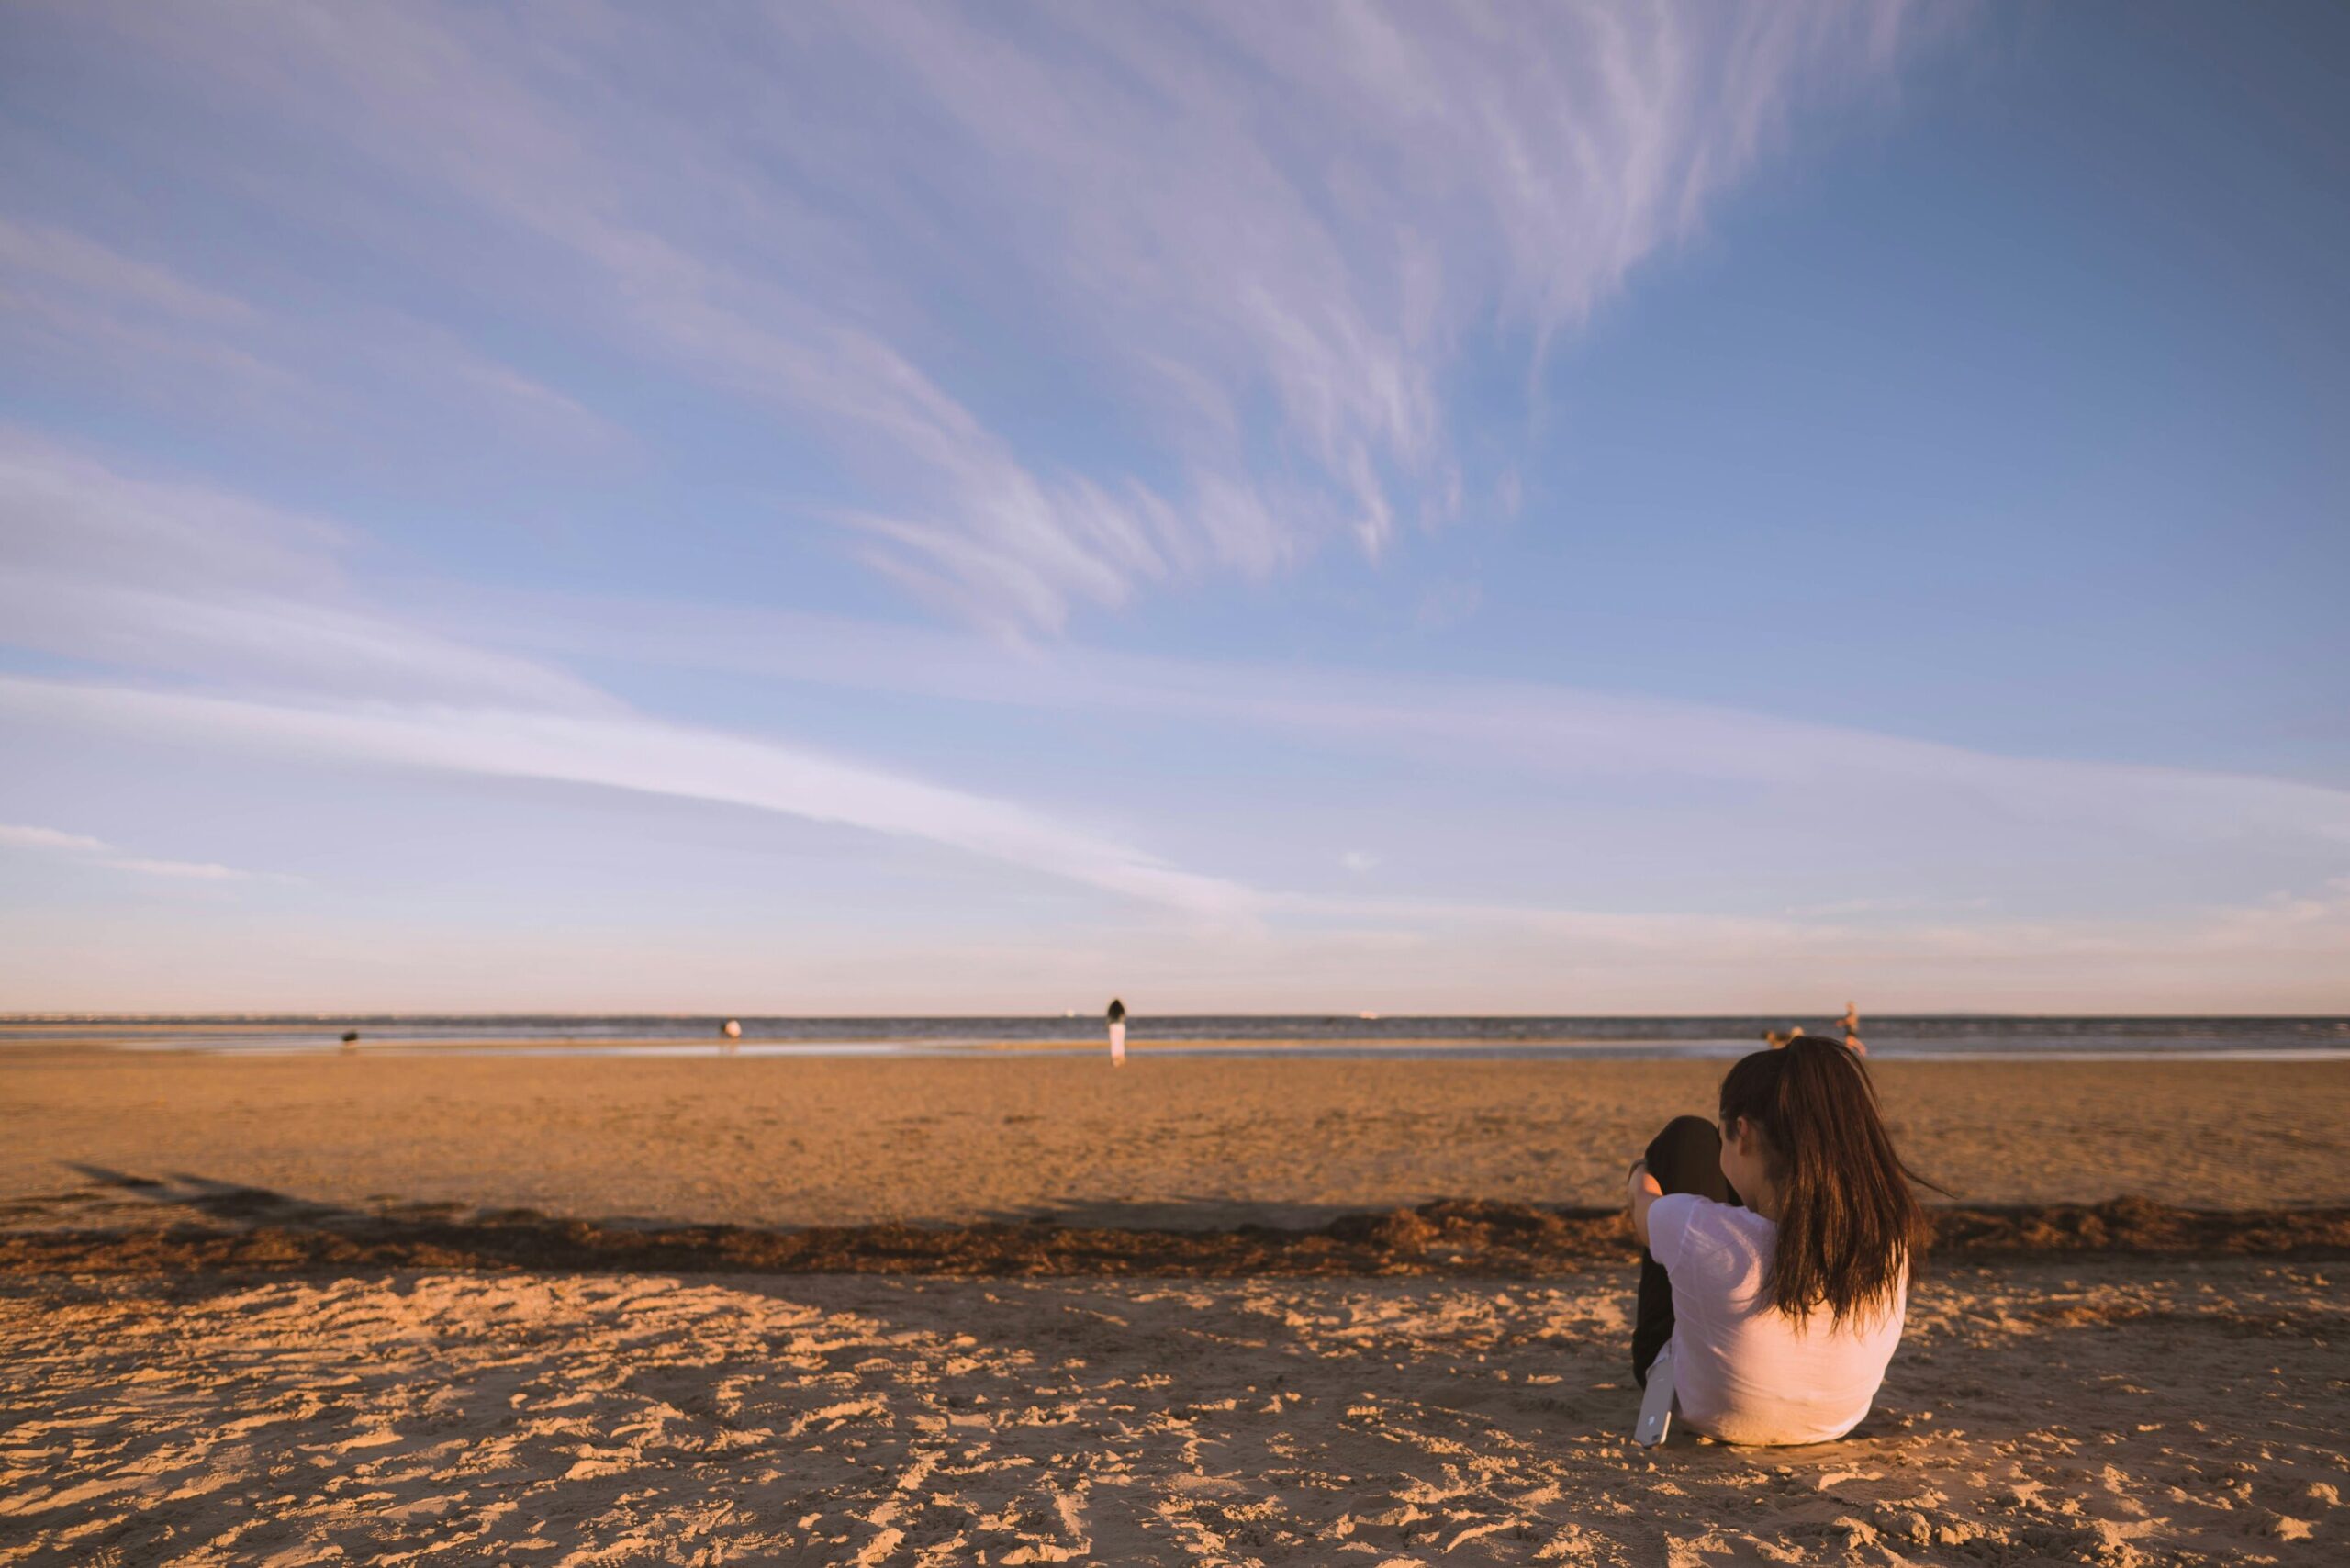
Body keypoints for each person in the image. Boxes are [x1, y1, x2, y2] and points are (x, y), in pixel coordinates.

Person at [1623, 1036, 1934, 1445]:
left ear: (1743, 1133)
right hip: (1835, 1421)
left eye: (1725, 1135)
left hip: (1710, 1414)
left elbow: (1642, 1205)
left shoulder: (1697, 1226)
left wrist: (1643, 1167)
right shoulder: (1890, 1233)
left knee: (1686, 1139)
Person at [1106, 997, 1126, 1067]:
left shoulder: (1111, 1009)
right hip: (1120, 1026)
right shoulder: (1121, 1008)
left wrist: (1107, 1025)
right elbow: (1123, 1016)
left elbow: (1108, 1018)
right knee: (1120, 1041)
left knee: (1114, 1042)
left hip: (1113, 1025)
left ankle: (1115, 1058)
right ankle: (1121, 1056)